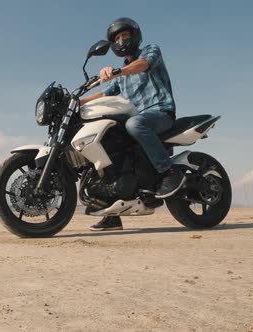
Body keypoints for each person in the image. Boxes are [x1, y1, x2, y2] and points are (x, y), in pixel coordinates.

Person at [79, 17, 185, 231]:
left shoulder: (149, 51)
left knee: (134, 124)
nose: (120, 41)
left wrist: (118, 71)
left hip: (160, 112)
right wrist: (79, 101)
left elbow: (143, 65)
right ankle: (113, 215)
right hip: (138, 120)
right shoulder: (121, 76)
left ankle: (168, 172)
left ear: (135, 36)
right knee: (109, 145)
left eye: (124, 36)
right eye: (116, 39)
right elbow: (104, 93)